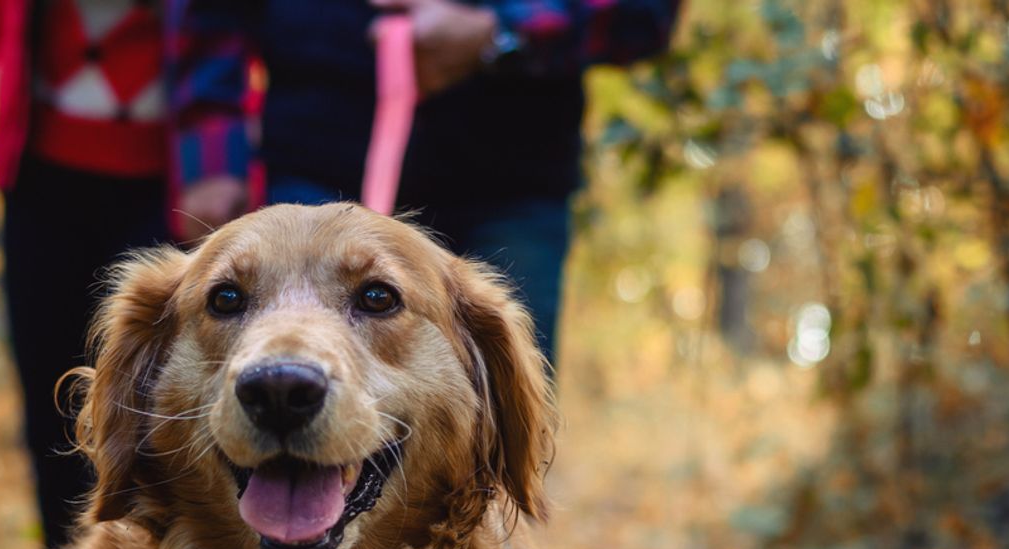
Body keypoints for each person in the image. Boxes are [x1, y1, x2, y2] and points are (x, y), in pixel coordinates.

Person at [0, 0, 239, 549]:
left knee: (163, 410)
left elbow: (231, 31)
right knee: (52, 416)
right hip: (41, 183)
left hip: (172, 188)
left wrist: (230, 163)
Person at [171, 0, 683, 363]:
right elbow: (213, 19)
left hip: (510, 193)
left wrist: (498, 31)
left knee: (496, 430)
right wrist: (210, 160)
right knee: (294, 387)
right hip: (310, 179)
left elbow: (644, 12)